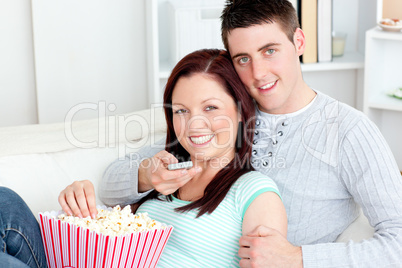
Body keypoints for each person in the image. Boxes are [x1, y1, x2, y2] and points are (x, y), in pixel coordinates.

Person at [96, 0, 402, 267]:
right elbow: (119, 178)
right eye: (243, 58)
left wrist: (299, 259)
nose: (258, 73)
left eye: (270, 51)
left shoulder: (349, 131)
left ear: (299, 42)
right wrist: (146, 176)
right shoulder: (225, 113)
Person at [0, 49, 287, 267]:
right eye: (181, 111)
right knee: (5, 202)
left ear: (240, 112)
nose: (194, 125)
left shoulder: (254, 192)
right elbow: (110, 203)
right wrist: (79, 212)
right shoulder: (165, 165)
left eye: (210, 108)